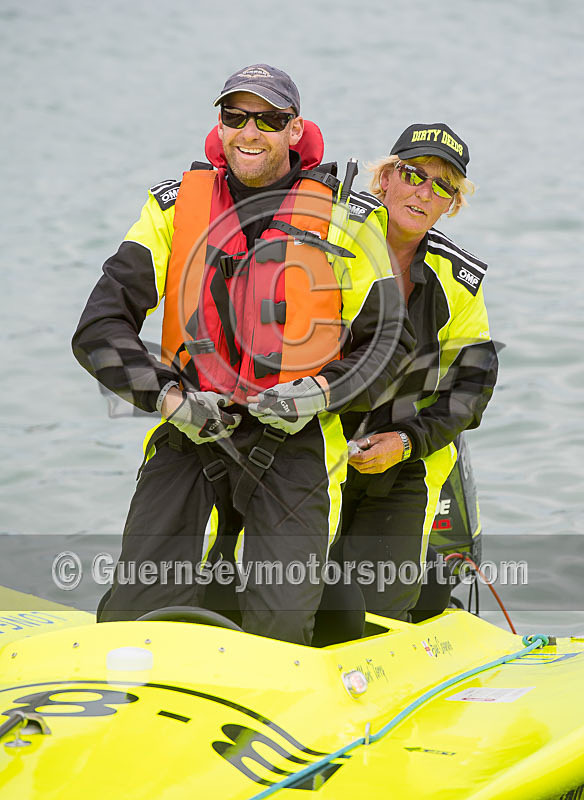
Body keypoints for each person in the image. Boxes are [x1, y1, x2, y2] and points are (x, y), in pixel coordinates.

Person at [72, 64, 414, 645]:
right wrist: (169, 398)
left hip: (296, 438)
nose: (249, 132)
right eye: (235, 116)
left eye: (269, 119)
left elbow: (391, 341)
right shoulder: (173, 209)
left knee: (281, 625)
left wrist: (321, 392)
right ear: (221, 125)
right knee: (137, 609)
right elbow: (98, 328)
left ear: (295, 129)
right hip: (192, 428)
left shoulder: (346, 219)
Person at [335, 123, 498, 622]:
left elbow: (472, 387)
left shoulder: (459, 279)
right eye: (413, 175)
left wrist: (405, 442)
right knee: (282, 595)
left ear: (451, 205)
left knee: (381, 615)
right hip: (309, 447)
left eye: (442, 187)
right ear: (384, 179)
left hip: (405, 459)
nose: (424, 192)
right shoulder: (331, 237)